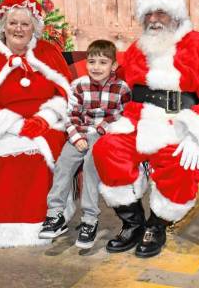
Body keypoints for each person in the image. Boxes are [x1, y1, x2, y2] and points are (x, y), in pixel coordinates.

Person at [92, 0, 199, 258]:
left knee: (179, 162)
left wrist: (197, 134)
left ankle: (157, 225)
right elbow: (119, 84)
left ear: (176, 15)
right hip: (138, 120)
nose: (154, 20)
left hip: (179, 123)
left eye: (161, 13)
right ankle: (133, 223)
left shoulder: (198, 45)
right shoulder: (138, 48)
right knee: (106, 150)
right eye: (149, 14)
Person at [0, 0, 73, 248]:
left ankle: (46, 219)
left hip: (46, 125)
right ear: (3, 26)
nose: (18, 29)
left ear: (35, 27)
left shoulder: (48, 52)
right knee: (8, 157)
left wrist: (45, 118)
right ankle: (1, 224)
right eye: (13, 23)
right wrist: (16, 126)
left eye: (25, 24)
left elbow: (65, 94)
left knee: (39, 156)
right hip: (2, 126)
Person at [38, 40, 131, 248]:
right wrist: (78, 137)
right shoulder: (78, 85)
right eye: (91, 62)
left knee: (91, 166)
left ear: (113, 66)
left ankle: (89, 218)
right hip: (79, 135)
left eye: (103, 62)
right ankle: (55, 215)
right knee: (63, 164)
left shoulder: (121, 88)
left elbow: (121, 115)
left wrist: (99, 131)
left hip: (104, 136)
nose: (96, 67)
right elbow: (72, 115)